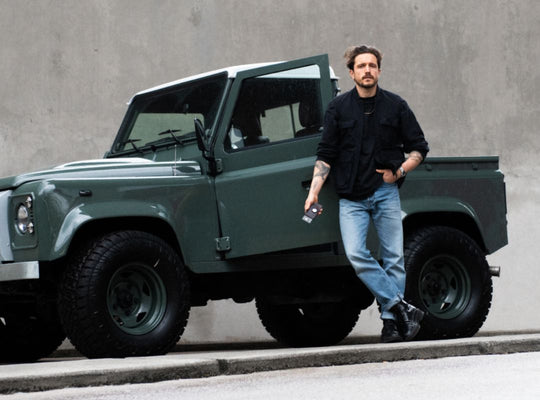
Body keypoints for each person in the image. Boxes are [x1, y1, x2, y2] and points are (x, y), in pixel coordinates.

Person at [304, 45, 429, 343]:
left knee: (394, 259)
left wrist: (398, 172)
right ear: (352, 72)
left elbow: (419, 149)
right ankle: (400, 308)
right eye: (361, 66)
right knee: (358, 255)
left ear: (379, 70)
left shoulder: (396, 105)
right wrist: (313, 193)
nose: (367, 70)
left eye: (372, 65)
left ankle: (391, 324)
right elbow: (325, 155)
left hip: (385, 193)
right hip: (351, 199)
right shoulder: (339, 108)